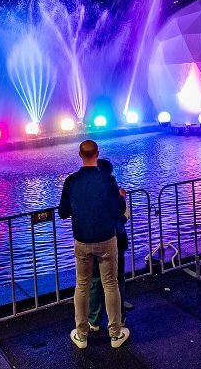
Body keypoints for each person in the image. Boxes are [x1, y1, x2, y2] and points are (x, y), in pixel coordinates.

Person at [59, 140, 130, 349]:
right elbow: (118, 210)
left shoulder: (71, 181)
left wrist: (81, 207)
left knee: (82, 286)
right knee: (111, 285)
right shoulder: (108, 180)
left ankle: (81, 334)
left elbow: (63, 212)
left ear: (79, 155)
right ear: (97, 154)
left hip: (82, 240)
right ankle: (115, 334)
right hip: (107, 239)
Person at [88, 158, 130, 330]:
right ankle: (118, 319)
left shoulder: (87, 193)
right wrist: (123, 200)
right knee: (116, 280)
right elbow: (122, 218)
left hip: (92, 240)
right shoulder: (114, 193)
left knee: (95, 281)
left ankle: (93, 320)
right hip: (115, 240)